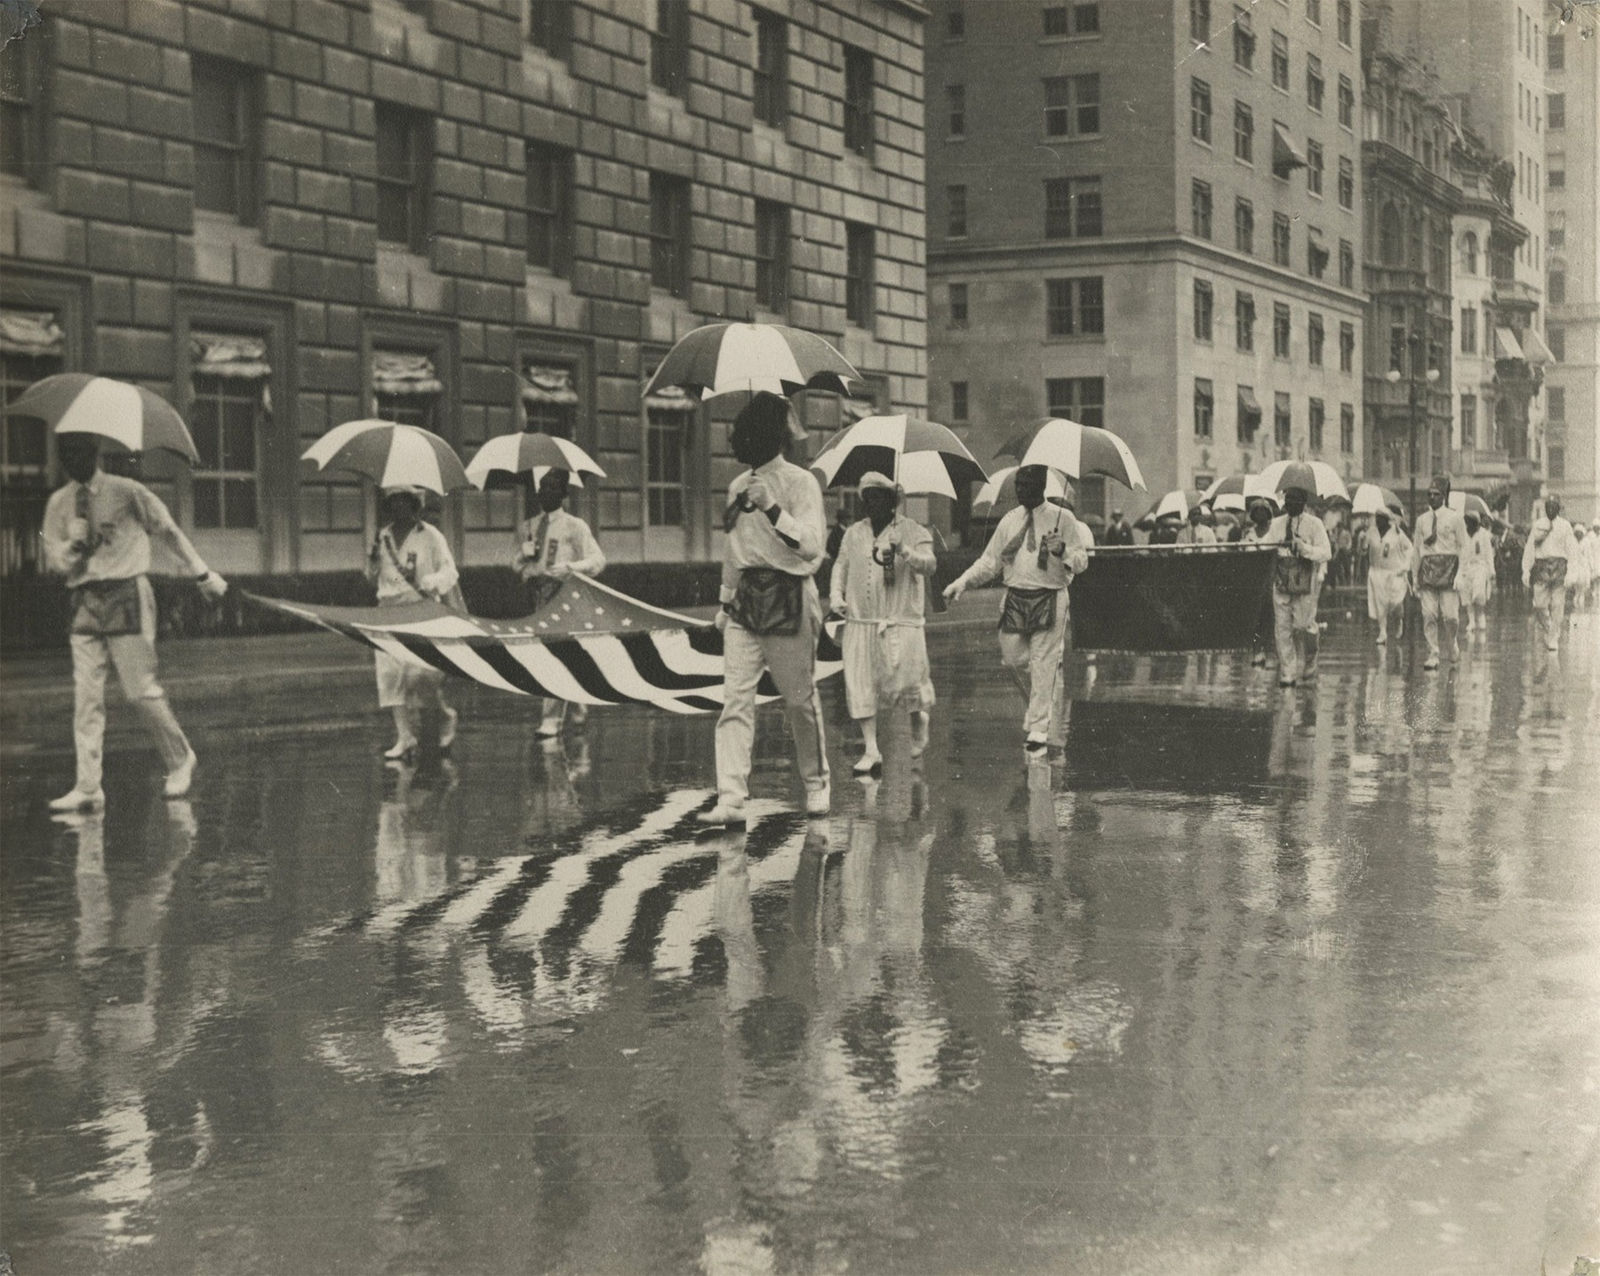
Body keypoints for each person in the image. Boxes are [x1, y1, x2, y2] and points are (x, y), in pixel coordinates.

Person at [40, 433, 229, 811]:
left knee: (139, 690)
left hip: (127, 592)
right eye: (64, 452)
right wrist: (72, 546)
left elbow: (168, 530)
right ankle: (89, 786)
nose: (71, 459)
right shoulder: (59, 503)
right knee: (86, 697)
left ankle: (180, 759)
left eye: (78, 450)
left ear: (94, 451)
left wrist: (202, 573)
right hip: (85, 600)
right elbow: (54, 562)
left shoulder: (127, 491)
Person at [700, 392, 829, 826]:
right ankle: (731, 797)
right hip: (745, 604)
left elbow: (811, 546)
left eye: (743, 435)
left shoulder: (799, 483)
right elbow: (734, 552)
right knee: (735, 701)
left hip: (789, 596)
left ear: (768, 438)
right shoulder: (738, 487)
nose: (736, 443)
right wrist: (723, 602)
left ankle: (816, 783)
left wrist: (773, 507)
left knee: (798, 700)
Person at [943, 464, 1091, 757]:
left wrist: (1063, 551)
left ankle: (1038, 725)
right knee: (1012, 658)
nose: (1020, 490)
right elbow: (989, 562)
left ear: (1042, 485)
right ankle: (1041, 690)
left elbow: (1082, 560)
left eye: (1027, 484)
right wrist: (961, 583)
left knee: (1044, 661)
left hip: (1050, 595)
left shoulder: (1064, 519)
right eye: (1018, 484)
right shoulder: (1010, 520)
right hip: (1016, 597)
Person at [828, 473, 937, 774]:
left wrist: (904, 549)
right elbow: (840, 565)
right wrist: (836, 595)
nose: (871, 503)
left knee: (907, 680)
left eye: (878, 497)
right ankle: (871, 749)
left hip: (901, 621)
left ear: (892, 501)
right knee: (860, 683)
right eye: (867, 498)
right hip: (861, 621)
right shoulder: (853, 533)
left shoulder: (913, 529)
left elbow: (929, 565)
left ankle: (919, 720)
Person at [367, 486, 460, 760]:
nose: (398, 507)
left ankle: (445, 715)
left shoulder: (430, 536)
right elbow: (372, 579)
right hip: (387, 611)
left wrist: (432, 581)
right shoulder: (382, 536)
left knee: (419, 675)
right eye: (392, 501)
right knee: (389, 675)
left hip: (419, 610)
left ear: (413, 504)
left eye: (403, 501)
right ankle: (405, 736)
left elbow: (449, 571)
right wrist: (372, 561)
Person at [513, 467, 606, 737]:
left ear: (564, 493)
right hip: (538, 596)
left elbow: (598, 560)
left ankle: (551, 719)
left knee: (556, 654)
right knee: (553, 653)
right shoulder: (528, 526)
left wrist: (572, 567)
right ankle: (576, 705)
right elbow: (515, 564)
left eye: (553, 487)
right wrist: (524, 560)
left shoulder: (574, 527)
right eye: (542, 487)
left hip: (564, 596)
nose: (546, 492)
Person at [1265, 486, 1331, 686]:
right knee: (1282, 628)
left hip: (1304, 581)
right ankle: (1288, 671)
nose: (1289, 504)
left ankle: (1311, 657)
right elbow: (1266, 546)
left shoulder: (1314, 524)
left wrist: (1305, 548)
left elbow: (1326, 553)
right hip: (1282, 580)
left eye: (1294, 500)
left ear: (1303, 503)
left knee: (1303, 625)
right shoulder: (1276, 524)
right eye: (1287, 499)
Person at [1410, 475, 1470, 671]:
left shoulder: (1455, 518)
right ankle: (1433, 653)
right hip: (1428, 569)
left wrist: (1461, 573)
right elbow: (1417, 549)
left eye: (1436, 494)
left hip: (1448, 568)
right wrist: (1414, 576)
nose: (1432, 498)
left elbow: (1464, 547)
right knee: (1428, 614)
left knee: (1450, 616)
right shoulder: (1421, 521)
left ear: (1444, 496)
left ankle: (1452, 643)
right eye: (1429, 494)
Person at [1522, 494, 1577, 651]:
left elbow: (1572, 550)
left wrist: (1571, 572)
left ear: (1558, 508)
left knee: (1558, 605)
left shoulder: (1565, 526)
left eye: (1554, 506)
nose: (1551, 509)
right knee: (1539, 605)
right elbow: (1530, 548)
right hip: (1541, 567)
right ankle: (1549, 628)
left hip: (1559, 567)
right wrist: (1526, 570)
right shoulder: (1538, 525)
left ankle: (1553, 637)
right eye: (1548, 506)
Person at [1366, 510, 1412, 646]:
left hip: (1394, 573)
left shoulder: (1397, 533)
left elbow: (1409, 549)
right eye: (1376, 518)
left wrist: (1405, 566)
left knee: (1395, 602)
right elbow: (1364, 550)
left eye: (1380, 518)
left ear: (1387, 520)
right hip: (1376, 572)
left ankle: (1399, 621)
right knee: (1380, 604)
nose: (1377, 521)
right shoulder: (1371, 532)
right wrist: (1363, 541)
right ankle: (1382, 632)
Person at [1457, 511, 1495, 639]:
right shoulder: (1462, 534)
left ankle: (1480, 615)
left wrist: (1491, 570)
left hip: (1480, 566)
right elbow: (1460, 552)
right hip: (1466, 567)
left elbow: (1489, 553)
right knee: (1466, 593)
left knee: (1478, 592)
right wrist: (1459, 570)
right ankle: (1471, 620)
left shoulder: (1483, 534)